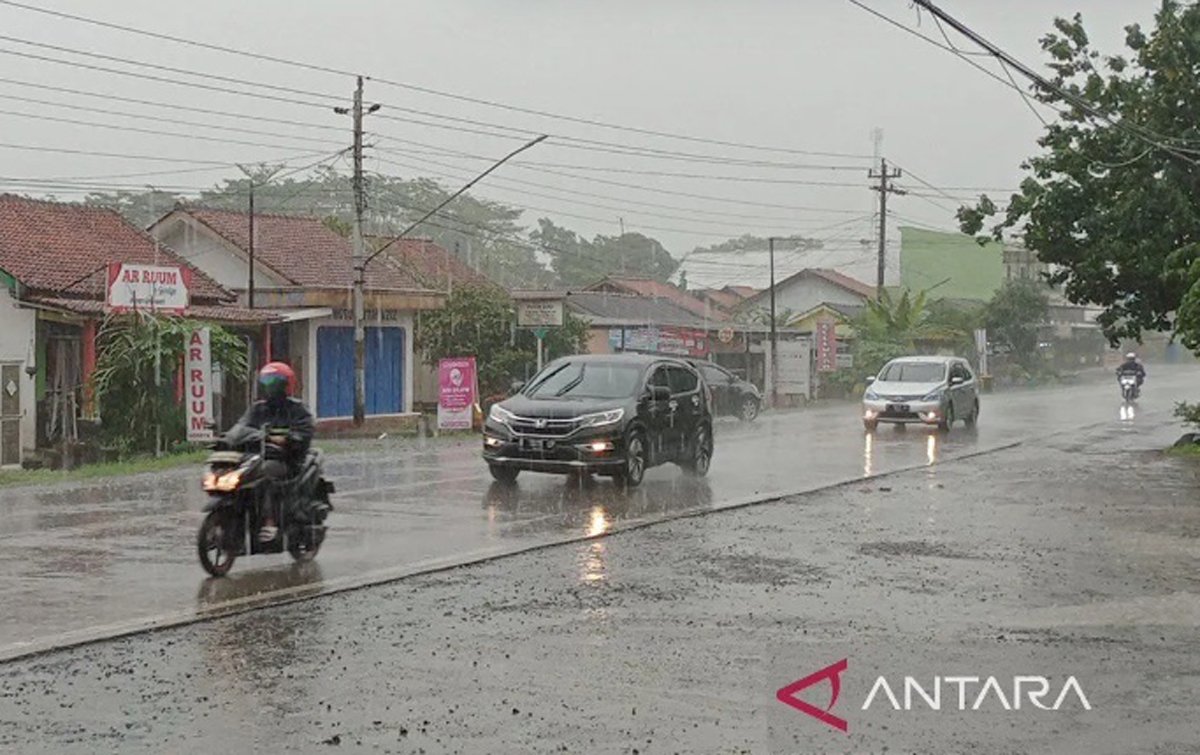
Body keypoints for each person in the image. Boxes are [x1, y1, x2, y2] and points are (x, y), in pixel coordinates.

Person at [226, 361, 314, 542]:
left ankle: (270, 521)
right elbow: (242, 426)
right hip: (256, 456)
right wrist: (227, 438)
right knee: (234, 473)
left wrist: (287, 439)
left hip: (287, 460)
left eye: (275, 382)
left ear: (286, 384)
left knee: (264, 475)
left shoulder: (297, 409)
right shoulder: (258, 408)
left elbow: (304, 432)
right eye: (267, 382)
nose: (271, 387)